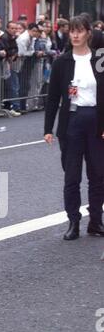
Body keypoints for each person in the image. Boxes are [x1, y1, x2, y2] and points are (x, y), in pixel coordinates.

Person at [44, 15, 104, 240]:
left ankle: (96, 221)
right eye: (72, 31)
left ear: (89, 32)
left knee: (98, 174)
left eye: (80, 30)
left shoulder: (100, 58)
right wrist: (48, 128)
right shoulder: (62, 62)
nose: (76, 35)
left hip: (97, 121)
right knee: (72, 176)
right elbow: (52, 99)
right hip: (72, 121)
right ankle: (73, 222)